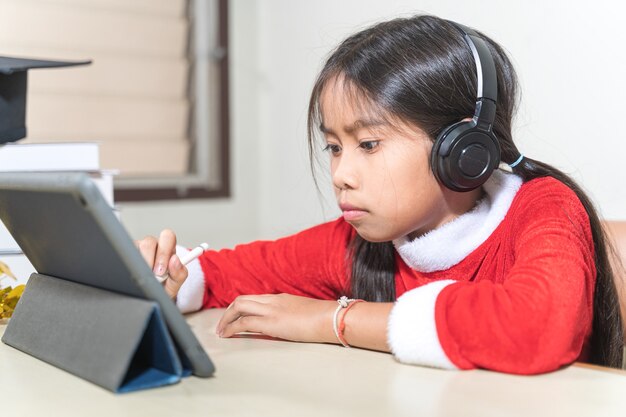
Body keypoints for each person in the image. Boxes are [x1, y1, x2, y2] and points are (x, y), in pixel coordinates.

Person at [137, 15, 624, 374]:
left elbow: (536, 329)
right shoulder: (355, 243)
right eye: (333, 147)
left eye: (368, 144)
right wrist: (162, 273)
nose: (341, 174)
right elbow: (223, 274)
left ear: (463, 150)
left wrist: (333, 320)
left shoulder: (544, 209)